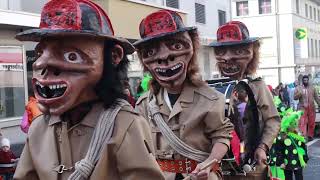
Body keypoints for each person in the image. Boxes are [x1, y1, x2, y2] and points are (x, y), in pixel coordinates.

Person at [13, 0, 164, 179]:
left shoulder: (124, 124)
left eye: (71, 56)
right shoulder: (39, 128)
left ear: (114, 56)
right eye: (40, 54)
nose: (41, 65)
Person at [134, 10, 234, 180]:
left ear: (192, 49)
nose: (164, 57)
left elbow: (221, 136)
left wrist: (210, 163)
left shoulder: (211, 98)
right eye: (151, 52)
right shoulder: (144, 103)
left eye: (176, 46)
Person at [210, 21, 281, 179]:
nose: (229, 58)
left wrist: (263, 147)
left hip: (252, 167)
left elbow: (273, 120)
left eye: (237, 51)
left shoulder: (257, 85)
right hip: (220, 169)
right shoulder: (210, 88)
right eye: (222, 51)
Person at [269, 110, 308, 180]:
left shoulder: (299, 136)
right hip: (287, 163)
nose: (294, 125)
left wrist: (305, 158)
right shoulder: (282, 137)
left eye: (295, 123)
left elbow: (303, 148)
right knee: (288, 177)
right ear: (287, 124)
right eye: (292, 123)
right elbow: (279, 151)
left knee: (299, 177)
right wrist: (281, 162)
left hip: (298, 162)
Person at [294, 75, 320, 141]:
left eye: (306, 80)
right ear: (302, 81)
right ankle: (303, 136)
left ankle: (310, 135)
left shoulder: (312, 88)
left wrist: (319, 104)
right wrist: (300, 93)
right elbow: (294, 98)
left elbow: (316, 97)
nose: (305, 81)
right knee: (302, 122)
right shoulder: (298, 88)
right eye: (304, 80)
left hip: (311, 107)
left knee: (311, 122)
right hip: (302, 108)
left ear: (308, 81)